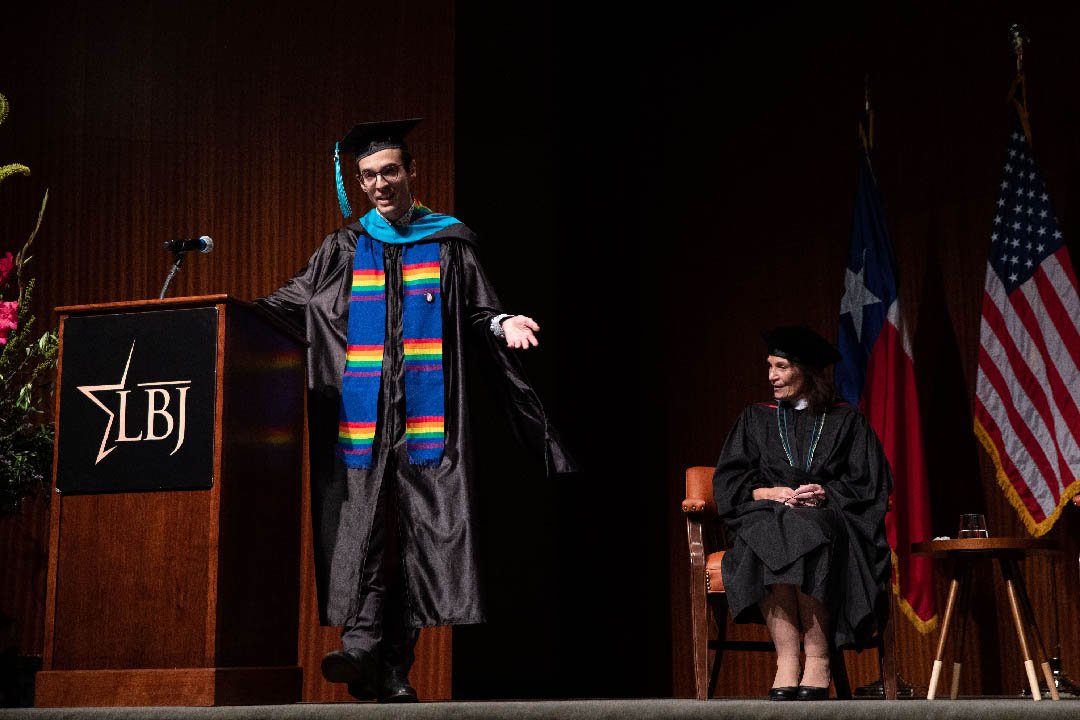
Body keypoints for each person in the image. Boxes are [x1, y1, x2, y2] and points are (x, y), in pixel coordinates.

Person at [257, 118, 576, 703]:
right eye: (367, 176)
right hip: (363, 414)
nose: (378, 184)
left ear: (410, 173)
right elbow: (287, 302)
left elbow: (480, 312)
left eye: (388, 172)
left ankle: (390, 665)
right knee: (368, 529)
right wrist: (233, 317)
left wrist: (503, 323)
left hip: (429, 416)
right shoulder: (345, 247)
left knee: (417, 538)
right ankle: (362, 647)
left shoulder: (449, 242)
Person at [712, 325, 892, 701]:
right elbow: (729, 482)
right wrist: (768, 492)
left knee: (807, 526)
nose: (771, 377)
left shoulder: (847, 420)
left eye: (781, 367)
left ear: (807, 370)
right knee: (768, 528)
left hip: (830, 517)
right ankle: (788, 659)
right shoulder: (755, 418)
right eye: (769, 366)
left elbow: (869, 484)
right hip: (765, 513)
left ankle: (818, 657)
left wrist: (827, 492)